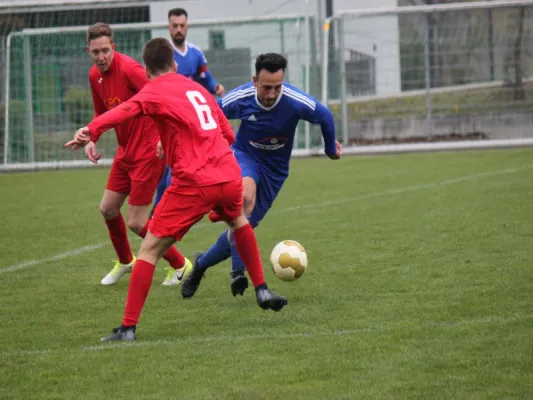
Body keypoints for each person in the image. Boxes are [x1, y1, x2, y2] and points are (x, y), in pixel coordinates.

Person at [64, 38, 288, 342]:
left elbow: (125, 111)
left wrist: (90, 130)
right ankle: (262, 289)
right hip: (227, 173)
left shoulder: (152, 90)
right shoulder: (197, 89)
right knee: (238, 221)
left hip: (193, 182)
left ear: (146, 68)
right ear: (174, 64)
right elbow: (226, 133)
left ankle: (128, 327)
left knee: (149, 249)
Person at [180, 53, 342, 299]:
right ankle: (237, 271)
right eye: (266, 87)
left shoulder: (294, 100)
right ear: (255, 80)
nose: (271, 94)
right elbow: (209, 113)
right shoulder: (242, 97)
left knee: (241, 230)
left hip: (275, 172)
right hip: (244, 157)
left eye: (277, 87)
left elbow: (324, 117)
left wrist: (330, 149)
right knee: (245, 198)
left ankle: (201, 264)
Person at [83, 22, 191, 287]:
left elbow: (163, 94)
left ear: (114, 48)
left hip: (149, 150)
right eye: (96, 52)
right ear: (89, 51)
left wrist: (166, 137)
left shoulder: (131, 69)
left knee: (136, 221)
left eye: (105, 50)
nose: (101, 57)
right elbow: (102, 113)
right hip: (125, 151)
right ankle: (125, 260)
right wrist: (92, 137)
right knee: (108, 209)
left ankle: (181, 265)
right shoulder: (93, 75)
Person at [150, 7, 227, 255]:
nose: (179, 29)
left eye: (182, 25)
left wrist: (215, 87)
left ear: (187, 26)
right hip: (172, 123)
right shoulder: (164, 56)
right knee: (170, 171)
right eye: (175, 25)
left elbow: (206, 77)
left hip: (193, 125)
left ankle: (163, 215)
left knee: (184, 169)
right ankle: (158, 214)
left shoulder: (195, 53)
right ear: (169, 26)